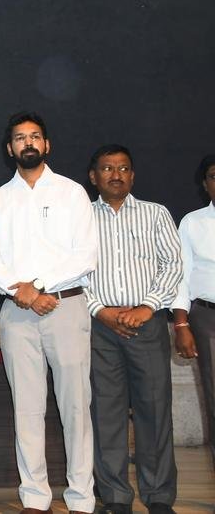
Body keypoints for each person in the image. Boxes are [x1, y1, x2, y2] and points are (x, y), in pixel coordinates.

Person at [0, 112, 98, 514]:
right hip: (17, 312)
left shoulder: (72, 193)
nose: (27, 143)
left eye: (34, 137)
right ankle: (34, 497)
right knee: (27, 409)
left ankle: (81, 499)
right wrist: (22, 292)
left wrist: (40, 286)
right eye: (19, 138)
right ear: (9, 148)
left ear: (46, 145)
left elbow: (86, 255)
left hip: (66, 306)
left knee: (76, 406)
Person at [85, 144, 182, 514]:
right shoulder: (80, 217)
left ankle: (159, 496)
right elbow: (71, 269)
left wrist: (147, 306)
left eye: (123, 168)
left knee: (154, 411)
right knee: (106, 413)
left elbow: (172, 264)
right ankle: (114, 497)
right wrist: (100, 310)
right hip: (99, 328)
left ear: (133, 175)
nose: (116, 175)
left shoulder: (156, 214)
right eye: (108, 168)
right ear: (93, 176)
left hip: (147, 325)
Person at [172, 153, 215, 465]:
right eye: (214, 176)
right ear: (205, 183)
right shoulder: (192, 222)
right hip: (208, 318)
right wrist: (181, 324)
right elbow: (181, 276)